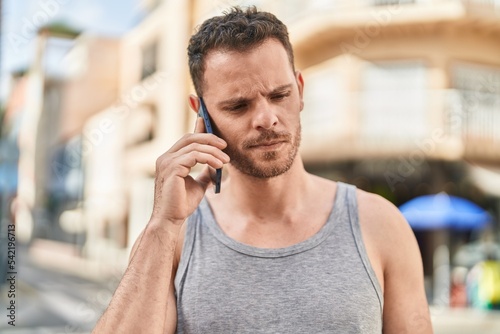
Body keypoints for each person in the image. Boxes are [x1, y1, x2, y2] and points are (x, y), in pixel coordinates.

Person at [93, 6, 432, 334]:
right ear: (202, 112)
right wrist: (163, 226)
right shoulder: (175, 236)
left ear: (299, 90)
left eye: (279, 95)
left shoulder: (380, 224)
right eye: (238, 105)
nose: (266, 119)